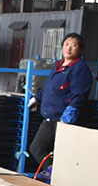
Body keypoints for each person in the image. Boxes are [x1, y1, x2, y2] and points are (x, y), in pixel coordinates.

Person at [28, 32, 93, 170]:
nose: (69, 48)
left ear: (80, 49)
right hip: (50, 119)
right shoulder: (58, 66)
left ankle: (58, 176)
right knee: (37, 148)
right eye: (66, 44)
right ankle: (52, 172)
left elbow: (79, 95)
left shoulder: (79, 69)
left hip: (63, 120)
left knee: (63, 154)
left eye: (74, 45)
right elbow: (51, 88)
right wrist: (37, 98)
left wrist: (68, 117)